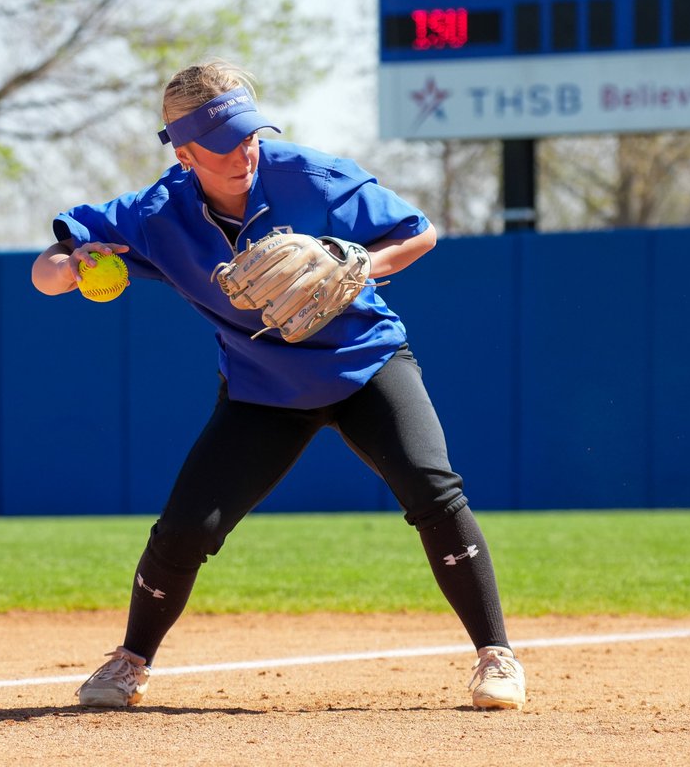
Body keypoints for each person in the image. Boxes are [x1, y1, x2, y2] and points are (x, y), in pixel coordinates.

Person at [31, 60, 525, 711]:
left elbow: (418, 232)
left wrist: (358, 265)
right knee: (184, 529)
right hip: (263, 388)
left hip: (363, 362)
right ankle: (129, 663)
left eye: (249, 133)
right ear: (183, 152)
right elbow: (48, 268)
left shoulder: (309, 176)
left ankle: (497, 656)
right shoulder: (156, 216)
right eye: (222, 141)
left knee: (431, 486)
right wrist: (70, 268)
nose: (243, 151)